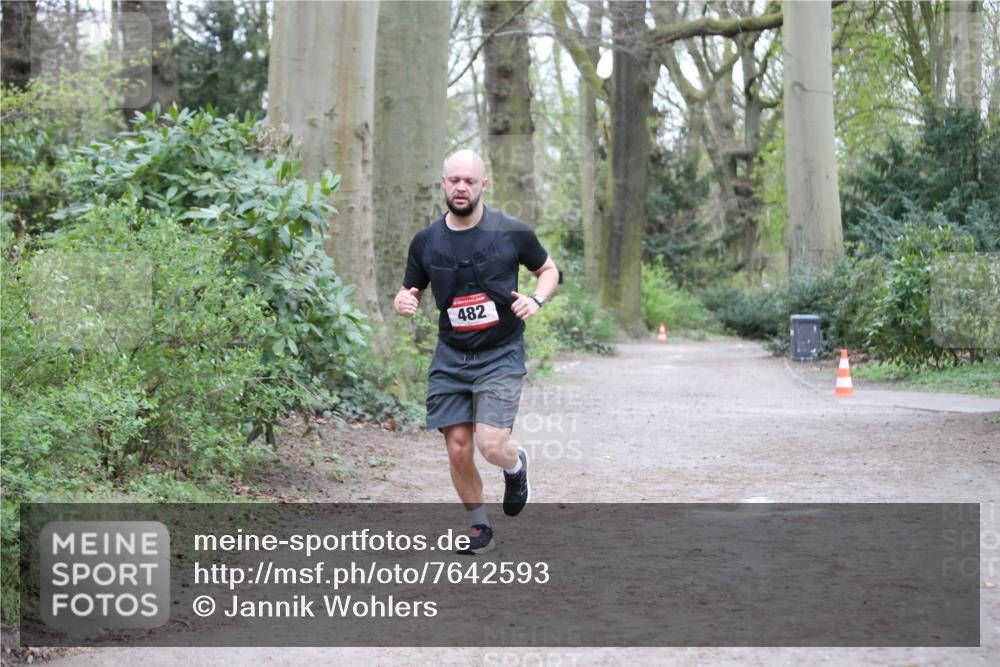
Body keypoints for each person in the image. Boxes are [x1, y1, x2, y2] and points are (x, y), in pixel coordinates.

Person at [393, 149, 559, 555]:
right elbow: (410, 289)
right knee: (457, 447)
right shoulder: (426, 241)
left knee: (491, 444)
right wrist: (403, 301)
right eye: (454, 180)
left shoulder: (511, 231)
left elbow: (548, 270)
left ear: (484, 184)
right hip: (451, 355)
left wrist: (536, 300)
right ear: (443, 184)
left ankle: (515, 466)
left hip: (500, 352)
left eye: (469, 180)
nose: (461, 187)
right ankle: (480, 527)